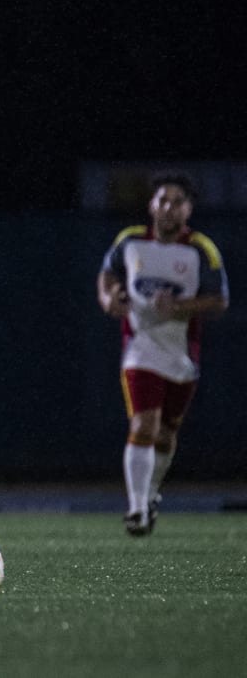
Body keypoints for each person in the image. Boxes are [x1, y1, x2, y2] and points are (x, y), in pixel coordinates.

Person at [96, 172, 229, 536]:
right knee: (143, 424)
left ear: (188, 210)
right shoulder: (131, 241)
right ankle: (137, 510)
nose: (168, 207)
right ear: (152, 204)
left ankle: (151, 494)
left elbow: (219, 300)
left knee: (167, 433)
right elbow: (107, 275)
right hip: (139, 348)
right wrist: (110, 298)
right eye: (163, 199)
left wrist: (181, 306)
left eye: (177, 201)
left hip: (181, 354)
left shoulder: (200, 248)